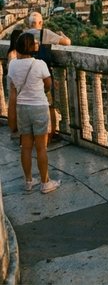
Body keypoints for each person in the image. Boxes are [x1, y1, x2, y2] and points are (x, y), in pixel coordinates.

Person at [6, 33, 61, 193]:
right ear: (31, 47)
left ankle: (29, 181)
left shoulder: (13, 65)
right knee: (41, 148)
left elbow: (13, 85)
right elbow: (48, 85)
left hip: (22, 108)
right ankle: (45, 183)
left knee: (26, 147)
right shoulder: (40, 64)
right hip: (38, 106)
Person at [23, 12, 70, 141]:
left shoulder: (23, 36)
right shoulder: (46, 33)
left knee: (30, 105)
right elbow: (67, 42)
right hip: (44, 76)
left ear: (29, 23)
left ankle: (31, 134)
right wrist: (62, 35)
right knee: (50, 106)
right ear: (41, 23)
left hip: (26, 77)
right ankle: (51, 134)